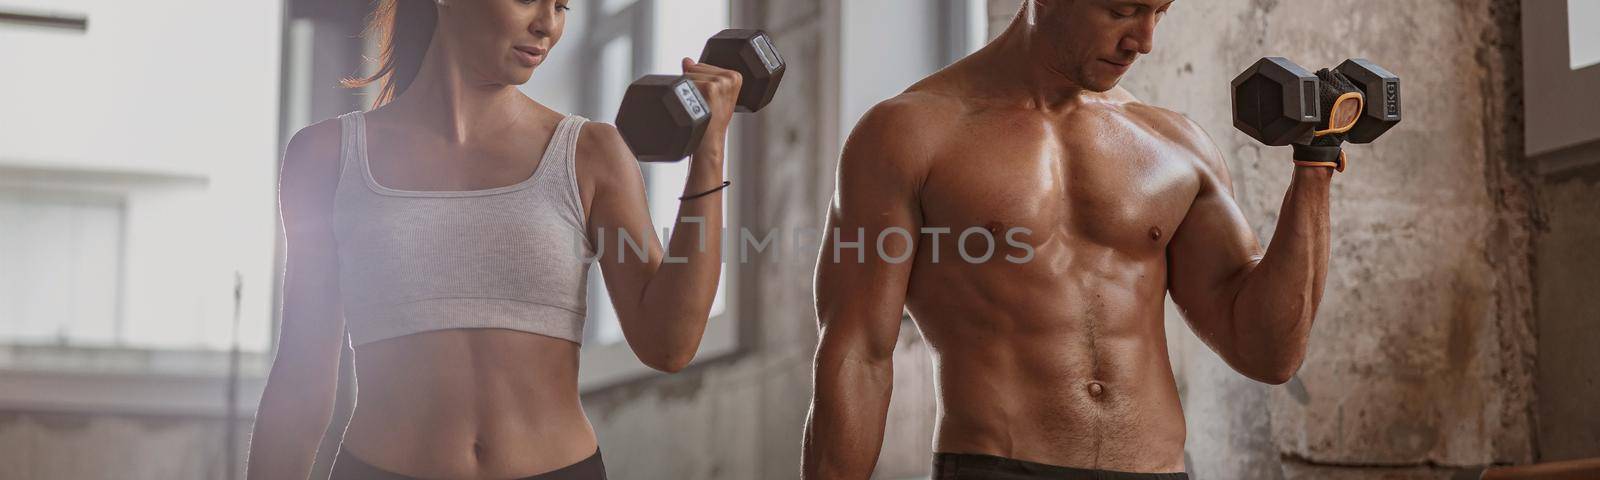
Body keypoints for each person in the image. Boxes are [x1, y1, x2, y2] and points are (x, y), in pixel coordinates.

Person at [804, 0, 1339, 478]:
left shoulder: (1174, 145)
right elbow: (858, 354)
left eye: (1160, 13)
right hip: (998, 467)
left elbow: (1269, 354)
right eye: (1121, 10)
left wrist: (1314, 168)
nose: (1144, 41)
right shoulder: (908, 135)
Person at [248, 0, 743, 478]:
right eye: (528, 0)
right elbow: (301, 380)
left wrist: (712, 151)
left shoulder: (591, 153)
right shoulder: (325, 157)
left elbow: (668, 345)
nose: (547, 24)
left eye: (562, 6)